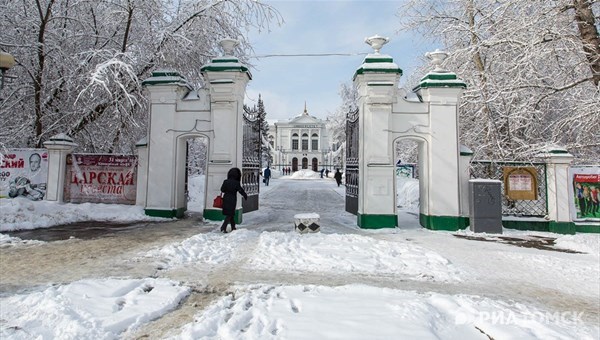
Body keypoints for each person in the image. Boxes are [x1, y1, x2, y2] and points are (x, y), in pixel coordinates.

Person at [220, 167, 247, 233]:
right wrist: (245, 195)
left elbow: (222, 189)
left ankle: (233, 227)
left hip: (226, 198)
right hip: (232, 199)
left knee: (231, 213)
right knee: (230, 213)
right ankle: (223, 227)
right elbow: (240, 190)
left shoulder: (225, 181)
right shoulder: (236, 183)